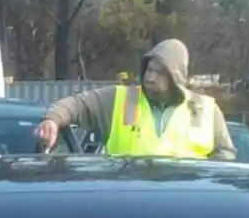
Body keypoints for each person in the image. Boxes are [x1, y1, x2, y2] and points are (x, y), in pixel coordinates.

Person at [35, 39, 236, 159]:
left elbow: (225, 157)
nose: (150, 77)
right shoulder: (118, 99)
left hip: (187, 212)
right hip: (128, 207)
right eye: (149, 69)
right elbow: (76, 105)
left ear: (176, 77)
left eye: (159, 72)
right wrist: (52, 119)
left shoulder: (205, 109)